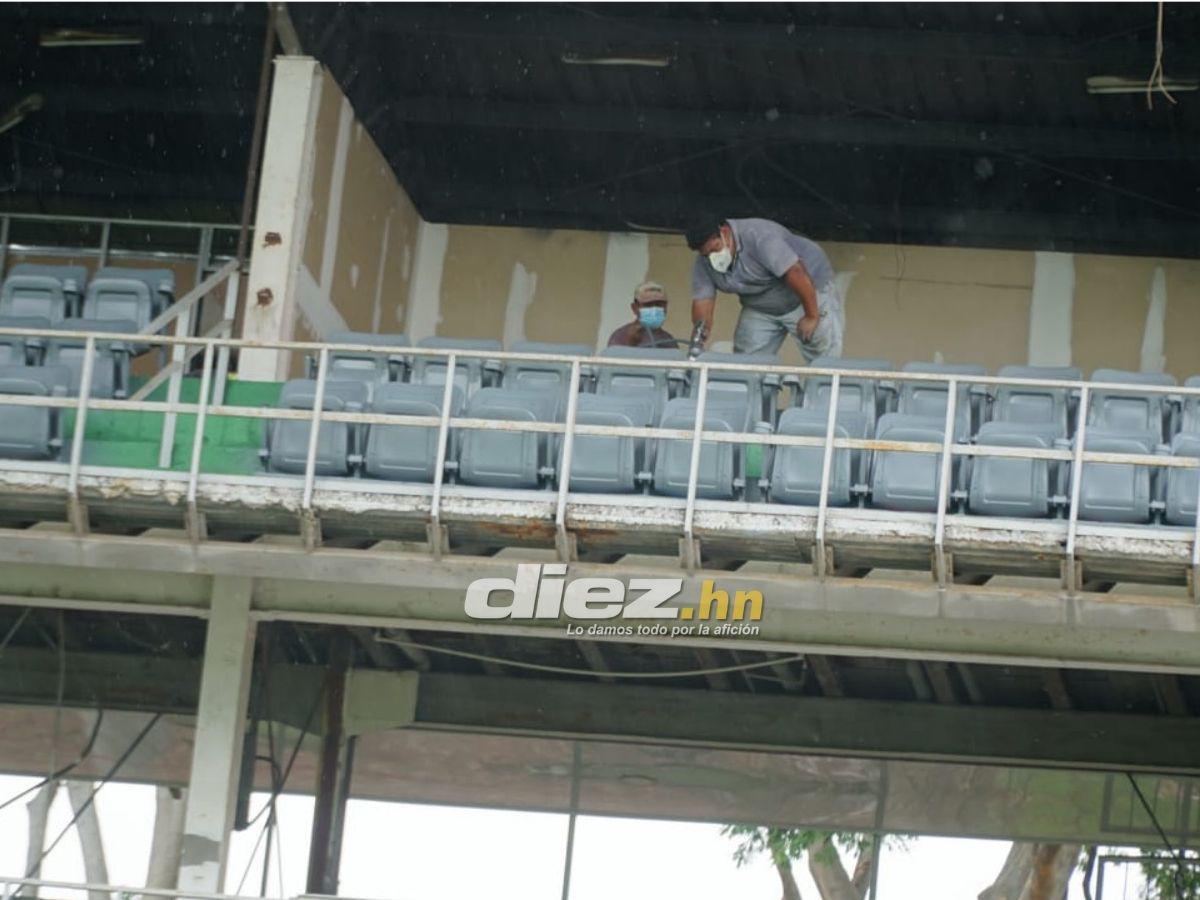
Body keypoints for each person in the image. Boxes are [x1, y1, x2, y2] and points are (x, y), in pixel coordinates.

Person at [685, 213, 844, 360]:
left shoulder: (759, 235)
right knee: (746, 362)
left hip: (807, 290)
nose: (712, 257)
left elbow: (795, 272)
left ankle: (822, 390)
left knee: (824, 358)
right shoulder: (704, 262)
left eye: (715, 249)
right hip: (760, 305)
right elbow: (702, 301)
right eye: (706, 254)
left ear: (725, 232)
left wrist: (812, 316)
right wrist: (700, 333)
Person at [606, 280, 678, 349]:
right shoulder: (621, 336)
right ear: (635, 308)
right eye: (648, 305)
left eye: (659, 304)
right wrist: (630, 343)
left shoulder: (668, 340)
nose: (654, 309)